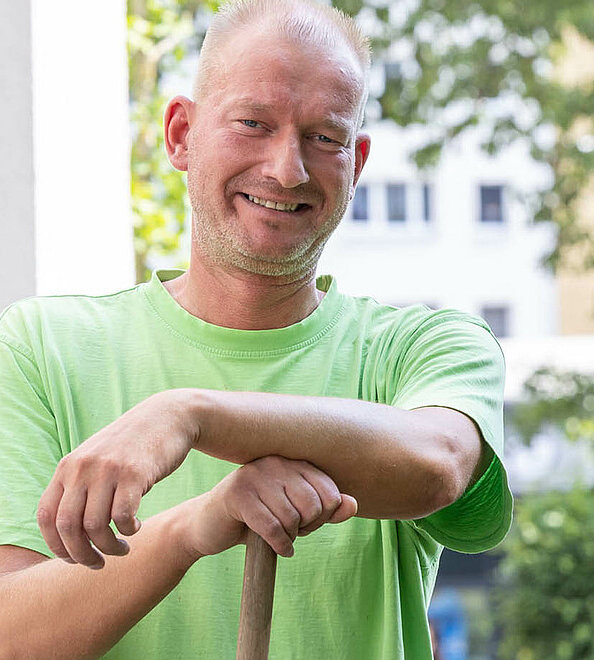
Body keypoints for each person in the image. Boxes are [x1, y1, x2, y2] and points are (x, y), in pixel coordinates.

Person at [0, 1, 511, 657]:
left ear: (355, 160)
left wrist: (189, 416)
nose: (286, 169)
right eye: (252, 123)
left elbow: (437, 467)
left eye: (323, 138)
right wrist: (194, 527)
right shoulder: (45, 346)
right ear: (181, 134)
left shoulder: (421, 349)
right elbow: (12, 636)